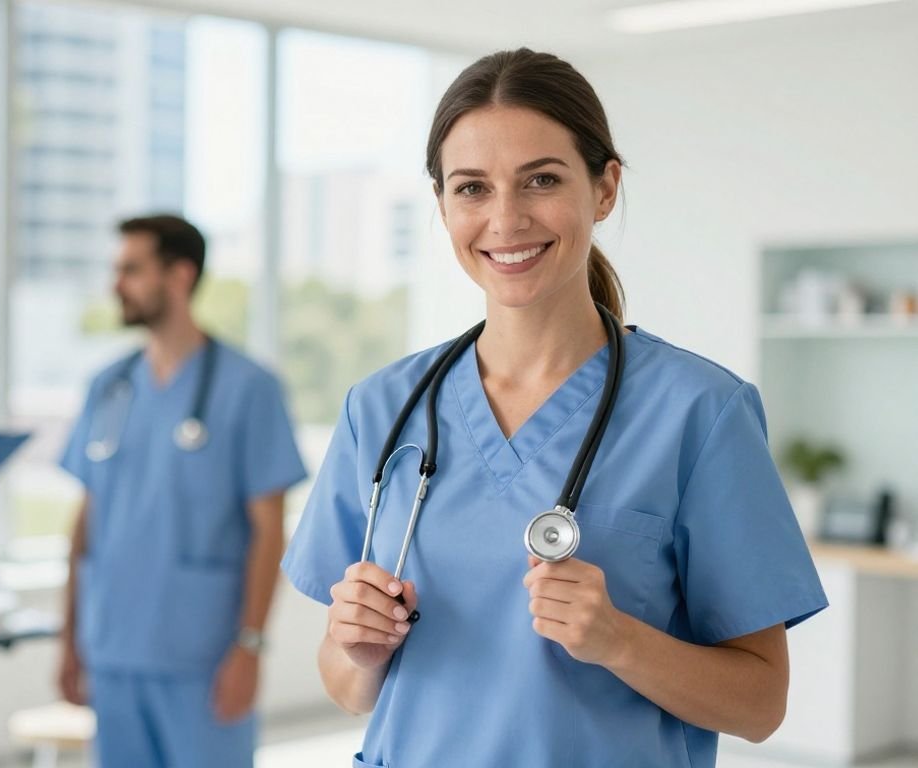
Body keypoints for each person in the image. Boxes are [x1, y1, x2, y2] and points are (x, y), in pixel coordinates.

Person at [280, 48, 828, 767]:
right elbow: (350, 689)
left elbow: (761, 706)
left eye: (541, 180)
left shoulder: (700, 411)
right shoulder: (381, 407)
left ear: (604, 190)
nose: (505, 220)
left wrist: (620, 641)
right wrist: (357, 647)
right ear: (443, 205)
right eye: (472, 188)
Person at [57, 214, 307, 767]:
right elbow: (86, 518)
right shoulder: (109, 386)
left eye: (130, 270)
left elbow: (270, 531)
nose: (115, 285)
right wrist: (69, 637)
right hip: (113, 648)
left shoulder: (249, 389)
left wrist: (251, 647)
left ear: (179, 275)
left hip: (202, 656)